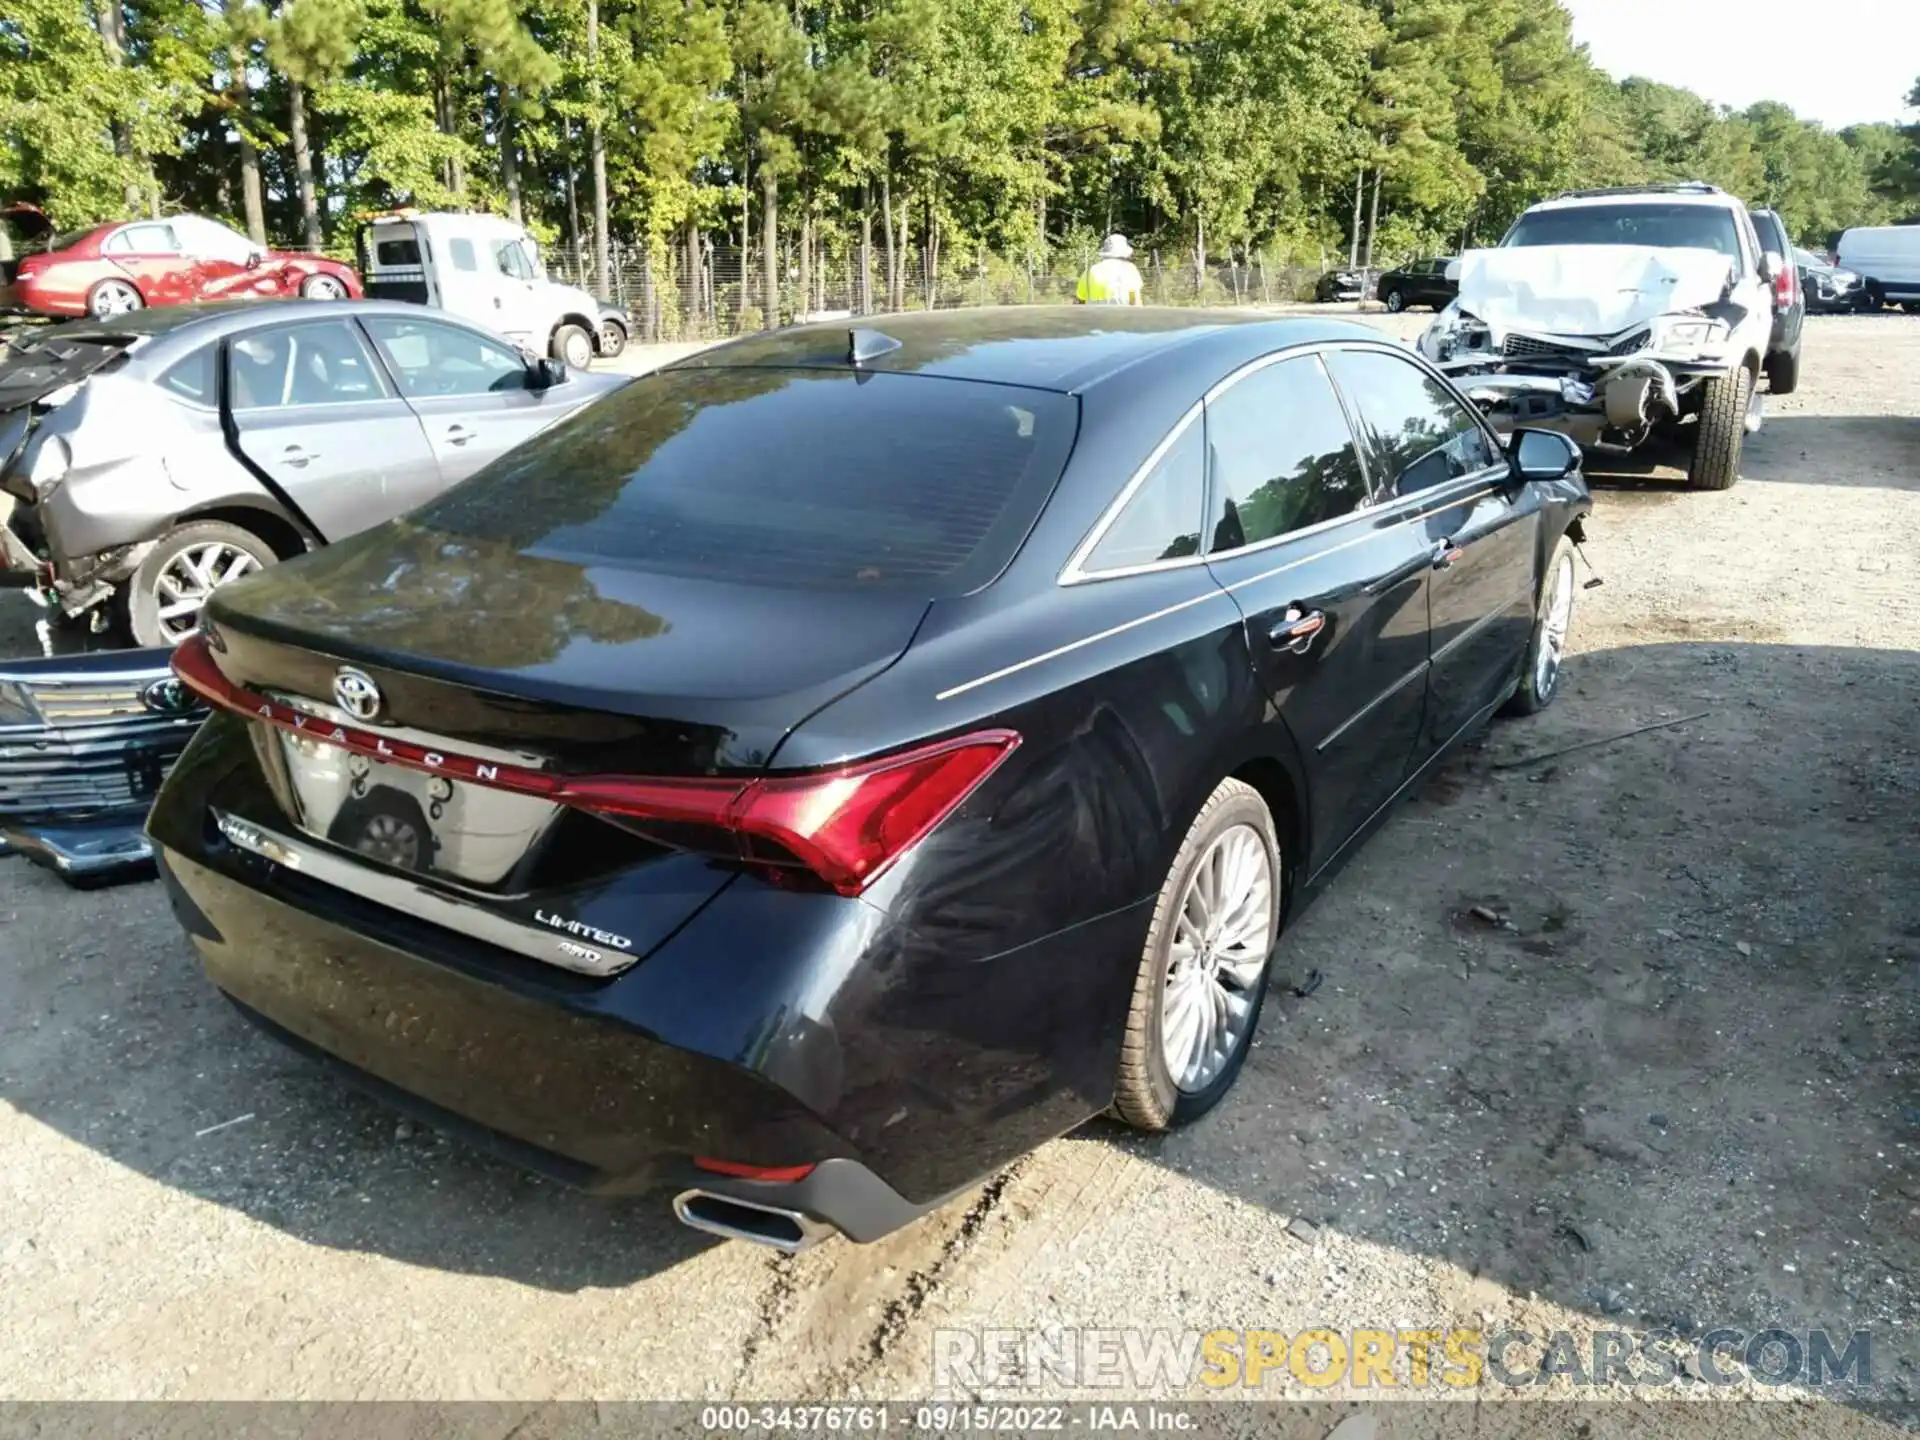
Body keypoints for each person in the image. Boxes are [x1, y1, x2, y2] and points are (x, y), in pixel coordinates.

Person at [1075, 234, 1145, 306]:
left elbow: (1079, 302)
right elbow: (1136, 303)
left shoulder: (1089, 272)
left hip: (1092, 316)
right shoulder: (1130, 269)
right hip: (1121, 316)